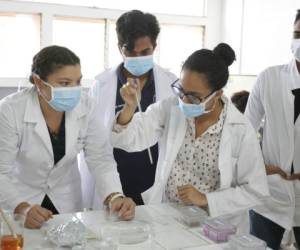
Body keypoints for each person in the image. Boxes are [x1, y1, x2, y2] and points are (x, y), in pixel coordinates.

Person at [111, 43, 269, 218]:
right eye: (181, 90)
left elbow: (256, 190)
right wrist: (129, 108)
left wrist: (206, 199)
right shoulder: (171, 107)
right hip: (168, 217)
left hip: (214, 227)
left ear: (217, 95)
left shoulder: (240, 129)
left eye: (194, 96)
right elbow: (126, 139)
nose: (184, 101)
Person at [0, 45, 135, 229]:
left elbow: (100, 158)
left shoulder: (86, 106)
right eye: (64, 83)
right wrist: (21, 207)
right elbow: (1, 172)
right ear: (39, 83)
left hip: (66, 198)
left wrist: (114, 196)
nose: (74, 90)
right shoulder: (10, 110)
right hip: (21, 199)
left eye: (77, 82)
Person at [88, 10, 177, 206]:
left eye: (145, 52)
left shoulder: (170, 84)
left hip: (154, 181)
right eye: (130, 51)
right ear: (120, 48)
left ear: (155, 46)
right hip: (114, 179)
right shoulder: (101, 86)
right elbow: (93, 139)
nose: (137, 57)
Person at [245, 10, 300, 250]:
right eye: (297, 34)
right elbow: (244, 133)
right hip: (269, 194)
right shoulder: (269, 78)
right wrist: (259, 167)